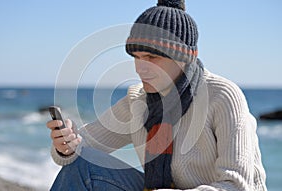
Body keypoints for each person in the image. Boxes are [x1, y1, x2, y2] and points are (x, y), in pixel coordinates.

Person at [46, 0, 267, 190]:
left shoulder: (222, 96)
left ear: (187, 56)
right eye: (137, 57)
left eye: (152, 57)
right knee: (81, 169)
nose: (141, 68)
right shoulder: (138, 100)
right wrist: (66, 145)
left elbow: (237, 186)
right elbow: (81, 151)